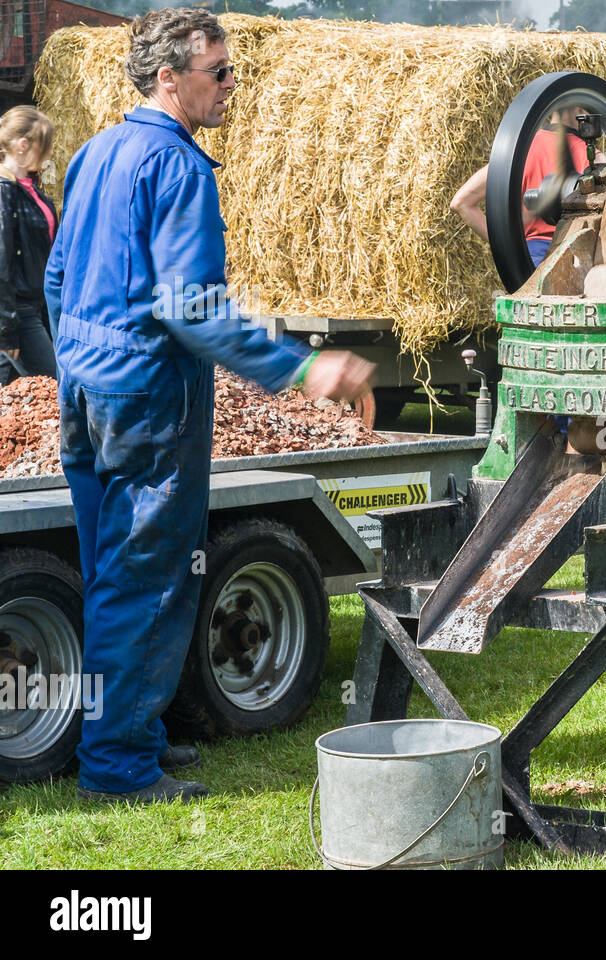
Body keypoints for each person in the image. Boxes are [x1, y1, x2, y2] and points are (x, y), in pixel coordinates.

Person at [46, 8, 375, 804]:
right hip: (150, 397)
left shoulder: (95, 152)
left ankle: (134, 734)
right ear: (170, 77)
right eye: (219, 71)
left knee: (108, 570)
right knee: (147, 580)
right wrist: (303, 369)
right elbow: (192, 310)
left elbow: (57, 278)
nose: (232, 84)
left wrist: (80, 362)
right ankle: (118, 766)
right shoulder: (180, 167)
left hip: (87, 387)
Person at [451, 105, 601, 268]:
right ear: (580, 111)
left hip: (528, 263)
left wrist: (508, 248)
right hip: (572, 260)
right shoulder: (590, 155)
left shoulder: (518, 151)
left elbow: (461, 202)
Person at [0, 106, 59, 384]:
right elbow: (1, 261)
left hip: (33, 307)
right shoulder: (4, 192)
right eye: (44, 146)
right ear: (24, 145)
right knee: (57, 382)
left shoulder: (29, 190)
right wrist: (6, 327)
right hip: (17, 313)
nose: (48, 153)